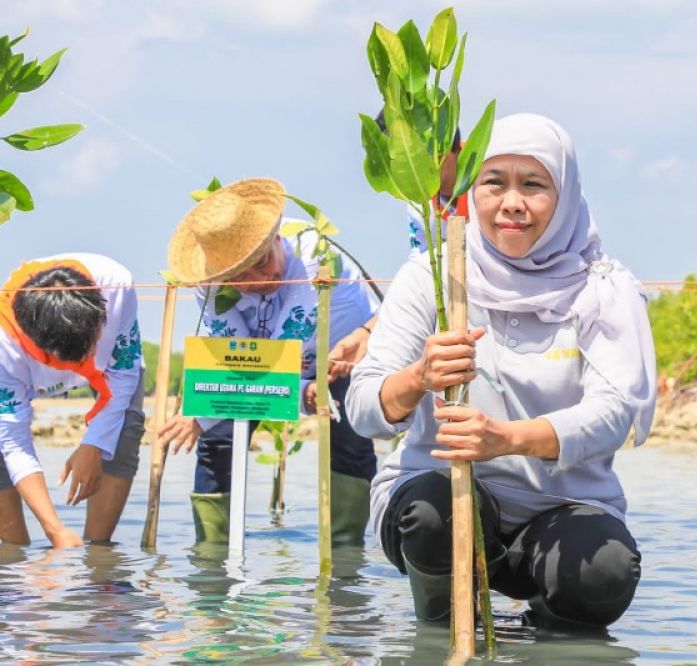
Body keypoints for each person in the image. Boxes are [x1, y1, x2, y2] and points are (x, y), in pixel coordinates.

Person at [346, 114, 656, 629]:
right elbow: (363, 409)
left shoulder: (603, 288)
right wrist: (418, 377)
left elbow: (614, 414)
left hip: (561, 503)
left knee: (604, 570)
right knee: (429, 514)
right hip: (447, 500)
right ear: (474, 189)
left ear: (566, 195)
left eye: (534, 185)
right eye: (494, 183)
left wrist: (507, 438)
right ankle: (444, 623)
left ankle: (551, 626)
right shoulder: (434, 273)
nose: (512, 203)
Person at [158, 178, 380, 545]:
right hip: (271, 366)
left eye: (262, 262)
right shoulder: (210, 283)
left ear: (277, 236)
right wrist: (207, 411)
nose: (260, 280)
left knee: (349, 441)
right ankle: (212, 556)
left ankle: (346, 556)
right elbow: (238, 356)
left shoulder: (315, 254)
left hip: (342, 355)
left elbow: (283, 356)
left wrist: (201, 409)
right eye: (239, 278)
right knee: (217, 439)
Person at [0, 255, 144, 548]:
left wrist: (95, 444)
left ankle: (98, 553)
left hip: (112, 375)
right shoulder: (4, 345)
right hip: (18, 376)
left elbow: (124, 375)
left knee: (125, 427)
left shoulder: (116, 286)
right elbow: (13, 441)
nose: (82, 361)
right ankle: (14, 559)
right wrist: (56, 531)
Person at [374, 111, 467, 257]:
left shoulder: (490, 169)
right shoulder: (418, 208)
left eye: (423, 156)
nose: (414, 170)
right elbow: (419, 263)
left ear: (449, 147)